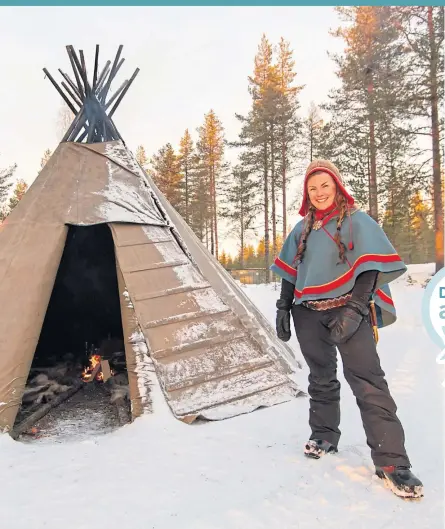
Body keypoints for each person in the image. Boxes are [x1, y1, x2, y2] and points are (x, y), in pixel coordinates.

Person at [270, 159, 423, 500]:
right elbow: (290, 272)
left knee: (368, 382)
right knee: (320, 377)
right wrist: (283, 307)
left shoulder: (357, 221)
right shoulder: (302, 229)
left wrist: (355, 308)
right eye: (312, 188)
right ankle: (324, 434)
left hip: (348, 309)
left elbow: (370, 266)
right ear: (306, 194)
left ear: (337, 187)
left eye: (325, 186)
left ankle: (392, 461)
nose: (319, 193)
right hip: (307, 313)